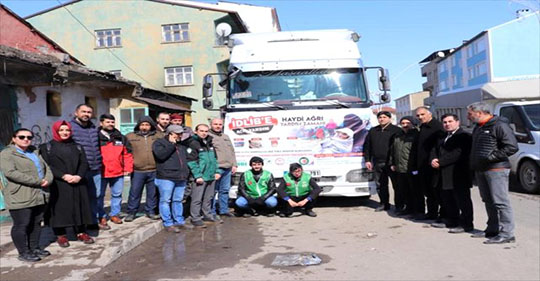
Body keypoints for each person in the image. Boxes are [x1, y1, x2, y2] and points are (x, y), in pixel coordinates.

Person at [467, 102, 518, 244]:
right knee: (488, 200)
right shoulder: (479, 127)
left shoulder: (499, 125)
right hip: (481, 169)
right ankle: (492, 229)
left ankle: (507, 233)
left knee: (501, 202)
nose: (468, 117)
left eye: (470, 114)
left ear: (479, 113)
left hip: (496, 169)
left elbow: (512, 146)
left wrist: (491, 157)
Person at [0, 129, 53, 262]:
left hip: (40, 194)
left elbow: (47, 168)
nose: (25, 139)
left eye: (29, 137)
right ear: (14, 138)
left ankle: (34, 247)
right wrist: (38, 181)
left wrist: (48, 179)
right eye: (21, 137)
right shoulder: (7, 154)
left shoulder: (34, 152)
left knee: (36, 223)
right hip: (20, 194)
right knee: (22, 224)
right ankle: (23, 252)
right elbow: (11, 173)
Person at [39, 121, 94, 247]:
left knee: (79, 207)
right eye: (61, 130)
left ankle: (80, 231)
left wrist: (79, 176)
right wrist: (63, 176)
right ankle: (60, 235)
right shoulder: (46, 147)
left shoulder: (77, 146)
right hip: (58, 184)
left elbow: (84, 163)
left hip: (77, 182)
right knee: (59, 209)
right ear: (56, 131)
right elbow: (47, 166)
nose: (65, 133)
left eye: (67, 130)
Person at [429, 114, 474, 233]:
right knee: (448, 199)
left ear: (457, 122)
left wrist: (441, 162)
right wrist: (433, 159)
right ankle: (452, 220)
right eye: (445, 122)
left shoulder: (464, 136)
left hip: (458, 173)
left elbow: (458, 153)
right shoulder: (442, 137)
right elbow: (434, 150)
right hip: (443, 174)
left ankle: (466, 224)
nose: (447, 124)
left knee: (462, 200)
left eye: (450, 121)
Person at [70, 104, 104, 229]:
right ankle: (79, 224)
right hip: (80, 169)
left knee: (96, 195)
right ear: (76, 113)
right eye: (83, 111)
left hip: (95, 168)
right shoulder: (70, 128)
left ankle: (92, 221)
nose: (86, 114)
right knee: (80, 197)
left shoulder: (93, 128)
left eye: (89, 112)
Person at [152, 125, 192, 233]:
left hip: (181, 177)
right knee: (165, 200)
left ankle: (179, 220)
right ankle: (168, 222)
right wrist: (171, 144)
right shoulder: (159, 143)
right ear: (170, 134)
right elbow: (161, 156)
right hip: (166, 177)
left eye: (181, 133)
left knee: (178, 200)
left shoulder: (181, 145)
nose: (180, 135)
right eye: (177, 134)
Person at [98, 114, 133, 225]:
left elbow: (127, 154)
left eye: (112, 122)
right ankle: (101, 216)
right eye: (107, 122)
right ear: (101, 123)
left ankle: (114, 214)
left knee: (117, 194)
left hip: (118, 172)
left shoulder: (120, 137)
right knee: (99, 195)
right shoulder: (95, 137)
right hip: (101, 172)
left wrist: (127, 168)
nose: (110, 124)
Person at [124, 116, 161, 222]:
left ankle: (150, 211)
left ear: (151, 126)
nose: (145, 127)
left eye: (147, 125)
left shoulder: (158, 136)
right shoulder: (130, 136)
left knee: (152, 193)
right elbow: (126, 152)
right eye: (142, 125)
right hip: (137, 170)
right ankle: (131, 212)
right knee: (135, 192)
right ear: (138, 125)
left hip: (153, 169)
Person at [363, 111, 401, 212]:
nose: (382, 119)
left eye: (384, 117)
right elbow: (367, 146)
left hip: (392, 163)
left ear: (389, 118)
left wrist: (395, 162)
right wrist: (367, 160)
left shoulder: (396, 130)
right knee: (380, 185)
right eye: (380, 117)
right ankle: (384, 204)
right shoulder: (373, 131)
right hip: (377, 162)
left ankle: (399, 206)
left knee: (397, 186)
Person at [186, 124, 221, 227]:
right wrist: (197, 176)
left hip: (211, 175)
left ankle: (207, 214)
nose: (204, 133)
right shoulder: (193, 143)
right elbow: (191, 162)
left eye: (206, 131)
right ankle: (195, 217)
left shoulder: (209, 143)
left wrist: (217, 171)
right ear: (196, 131)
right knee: (197, 198)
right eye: (201, 131)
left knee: (208, 197)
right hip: (200, 177)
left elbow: (215, 159)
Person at [414, 106, 445, 220]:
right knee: (428, 191)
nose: (420, 117)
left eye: (422, 114)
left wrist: (436, 160)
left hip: (434, 164)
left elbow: (439, 147)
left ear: (429, 114)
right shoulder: (422, 127)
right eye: (418, 115)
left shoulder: (438, 127)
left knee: (437, 191)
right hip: (423, 165)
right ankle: (432, 213)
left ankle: (443, 214)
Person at [388, 116, 420, 216]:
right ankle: (408, 208)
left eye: (408, 123)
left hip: (412, 168)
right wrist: (392, 163)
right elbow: (393, 151)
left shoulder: (417, 135)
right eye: (403, 123)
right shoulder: (398, 136)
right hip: (400, 168)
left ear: (413, 123)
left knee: (415, 191)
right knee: (404, 191)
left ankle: (417, 210)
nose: (405, 125)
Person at [208, 118, 238, 217]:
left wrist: (234, 164)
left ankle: (223, 210)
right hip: (216, 168)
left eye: (220, 124)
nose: (218, 126)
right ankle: (211, 212)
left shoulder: (225, 136)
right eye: (215, 124)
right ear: (211, 124)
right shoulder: (208, 136)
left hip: (228, 168)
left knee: (225, 190)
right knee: (213, 191)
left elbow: (231, 151)